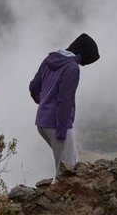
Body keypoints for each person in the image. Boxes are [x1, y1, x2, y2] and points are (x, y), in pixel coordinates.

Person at [29, 33, 99, 178]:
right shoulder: (72, 68)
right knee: (67, 169)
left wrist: (42, 102)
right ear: (84, 54)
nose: (83, 64)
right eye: (87, 60)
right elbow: (65, 100)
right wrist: (62, 129)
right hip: (57, 124)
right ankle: (61, 199)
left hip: (42, 123)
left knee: (71, 156)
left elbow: (33, 87)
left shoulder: (49, 59)